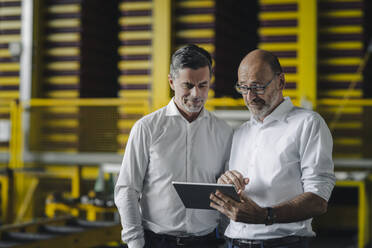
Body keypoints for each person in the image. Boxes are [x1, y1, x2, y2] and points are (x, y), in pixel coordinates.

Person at [210, 49, 336, 248]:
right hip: (233, 242)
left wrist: (266, 215)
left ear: (281, 82)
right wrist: (225, 184)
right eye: (243, 88)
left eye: (258, 86)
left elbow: (318, 200)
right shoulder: (240, 133)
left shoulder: (308, 124)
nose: (250, 96)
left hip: (283, 243)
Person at [114, 44, 233, 248]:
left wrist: (224, 237)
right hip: (156, 242)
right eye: (187, 85)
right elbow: (127, 190)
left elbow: (227, 192)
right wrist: (135, 243)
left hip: (207, 242)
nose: (196, 93)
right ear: (171, 81)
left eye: (203, 85)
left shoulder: (223, 132)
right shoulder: (147, 128)